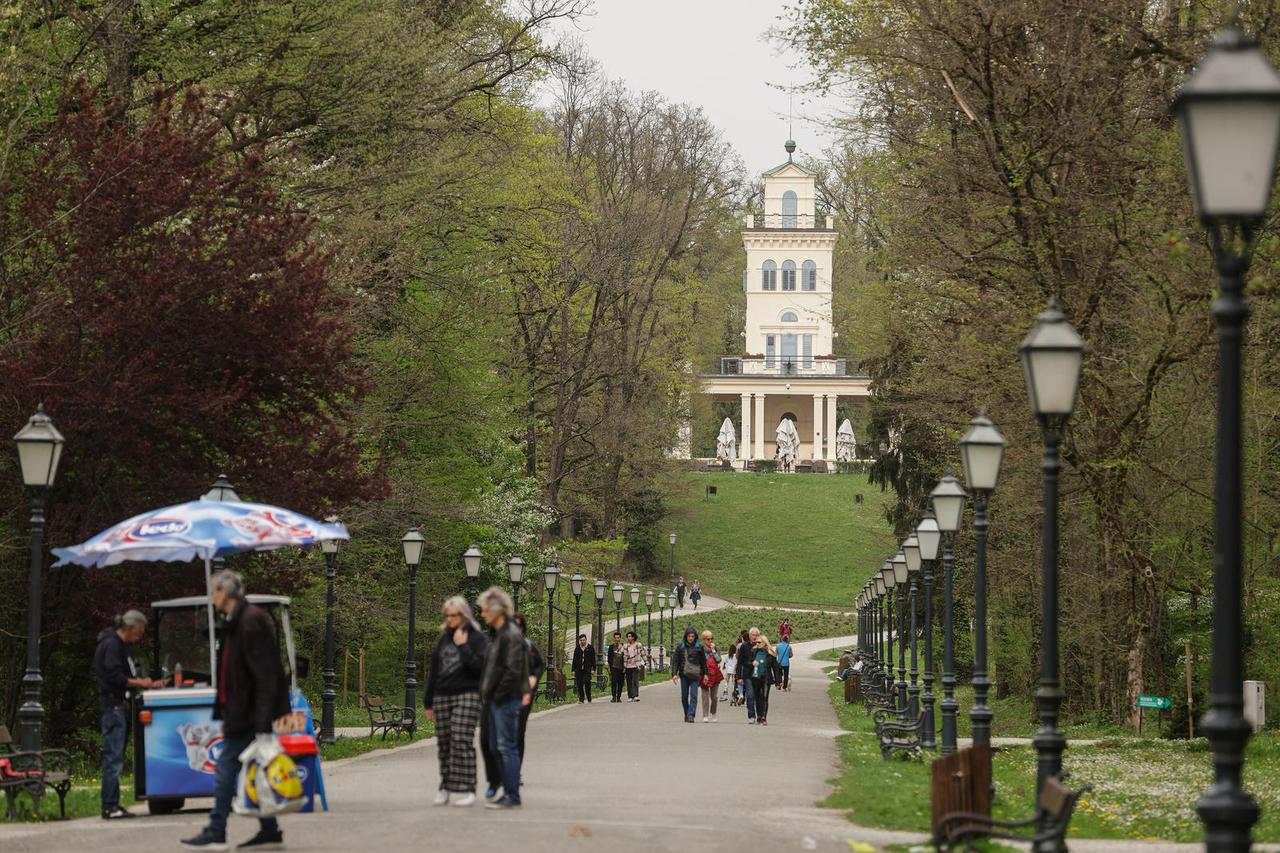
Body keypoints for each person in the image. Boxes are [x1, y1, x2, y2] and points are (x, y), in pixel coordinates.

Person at [182, 571, 292, 850]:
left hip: (248, 715)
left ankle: (217, 830)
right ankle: (269, 828)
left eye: (213, 592)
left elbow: (266, 674)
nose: (211, 598)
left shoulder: (249, 621)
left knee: (225, 769)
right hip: (243, 713)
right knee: (251, 770)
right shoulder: (237, 621)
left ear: (224, 592)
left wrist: (262, 719)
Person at [423, 596, 489, 807]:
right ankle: (445, 787)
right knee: (444, 742)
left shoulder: (476, 638)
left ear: (463, 615)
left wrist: (463, 647)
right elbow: (434, 672)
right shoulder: (442, 639)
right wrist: (428, 702)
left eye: (453, 615)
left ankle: (468, 788)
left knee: (461, 738)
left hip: (468, 694)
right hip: (442, 695)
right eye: (447, 615)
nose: (449, 619)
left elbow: (481, 668)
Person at [94, 609, 160, 820]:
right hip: (114, 707)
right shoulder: (112, 645)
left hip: (116, 707)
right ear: (130, 628)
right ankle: (109, 805)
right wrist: (141, 683)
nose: (138, 638)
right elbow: (114, 675)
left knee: (115, 757)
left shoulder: (114, 644)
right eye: (138, 634)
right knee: (113, 758)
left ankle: (112, 803)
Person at [479, 587, 530, 810]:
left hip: (506, 699)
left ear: (497, 610)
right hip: (497, 699)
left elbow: (512, 670)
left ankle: (512, 794)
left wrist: (497, 695)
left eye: (485, 609)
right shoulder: (501, 633)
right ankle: (506, 790)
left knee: (506, 746)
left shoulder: (510, 634)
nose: (482, 614)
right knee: (495, 745)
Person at [511, 613, 544, 761]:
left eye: (519, 626)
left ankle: (516, 768)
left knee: (518, 731)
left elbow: (540, 665)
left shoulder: (530, 647)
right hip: (505, 694)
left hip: (524, 693)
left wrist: (534, 679)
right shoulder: (500, 647)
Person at [744, 634, 782, 726]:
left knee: (764, 697)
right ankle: (759, 716)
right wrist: (752, 663)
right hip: (755, 678)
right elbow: (747, 663)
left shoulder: (770, 654)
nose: (757, 643)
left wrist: (778, 682)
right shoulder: (753, 651)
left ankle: (764, 717)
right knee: (758, 698)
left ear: (765, 643)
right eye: (756, 642)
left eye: (759, 642)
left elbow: (776, 668)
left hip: (766, 678)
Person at [669, 627, 705, 723]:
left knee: (694, 696)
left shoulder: (699, 647)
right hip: (684, 675)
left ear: (695, 637)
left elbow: (703, 662)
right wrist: (674, 674)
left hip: (695, 675)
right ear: (686, 636)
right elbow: (675, 661)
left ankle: (691, 715)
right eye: (689, 636)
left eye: (692, 636)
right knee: (684, 696)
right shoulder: (681, 646)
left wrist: (705, 674)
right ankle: (687, 713)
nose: (691, 638)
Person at [734, 627, 763, 723]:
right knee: (750, 695)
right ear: (749, 636)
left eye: (756, 635)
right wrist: (738, 677)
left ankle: (760, 715)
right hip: (748, 675)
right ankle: (751, 715)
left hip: (759, 675)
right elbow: (740, 663)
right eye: (752, 635)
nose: (754, 637)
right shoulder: (744, 646)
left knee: (759, 696)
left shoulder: (761, 646)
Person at [698, 630, 722, 722]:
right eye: (708, 639)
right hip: (704, 674)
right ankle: (705, 715)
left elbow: (718, 660)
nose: (711, 640)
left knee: (714, 697)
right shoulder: (701, 649)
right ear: (704, 640)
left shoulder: (716, 648)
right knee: (705, 696)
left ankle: (713, 712)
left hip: (715, 674)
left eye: (712, 638)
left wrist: (713, 650)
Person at [571, 634, 596, 704]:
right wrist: (573, 670)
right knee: (579, 684)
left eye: (583, 640)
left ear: (586, 640)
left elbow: (593, 659)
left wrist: (594, 669)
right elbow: (574, 659)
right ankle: (581, 699)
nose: (582, 642)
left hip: (587, 669)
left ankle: (589, 697)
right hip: (578, 669)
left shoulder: (590, 648)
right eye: (581, 640)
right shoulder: (577, 648)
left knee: (587, 682)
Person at [622, 630, 644, 701]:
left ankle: (635, 695)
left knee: (635, 681)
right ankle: (630, 696)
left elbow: (643, 654)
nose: (628, 638)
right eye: (627, 637)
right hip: (628, 666)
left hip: (636, 665)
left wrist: (646, 662)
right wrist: (624, 666)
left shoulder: (638, 645)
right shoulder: (625, 646)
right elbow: (624, 656)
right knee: (629, 681)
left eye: (630, 636)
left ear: (633, 637)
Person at [606, 631, 625, 703]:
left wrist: (624, 667)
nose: (617, 639)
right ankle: (614, 697)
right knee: (614, 682)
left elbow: (625, 657)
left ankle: (619, 697)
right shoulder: (611, 647)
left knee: (620, 683)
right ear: (614, 639)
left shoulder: (623, 646)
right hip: (613, 667)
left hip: (621, 667)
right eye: (615, 638)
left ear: (620, 638)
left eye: (618, 638)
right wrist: (609, 667)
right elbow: (609, 658)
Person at [722, 641, 738, 706]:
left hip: (728, 670)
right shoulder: (735, 656)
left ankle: (725, 691)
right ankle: (733, 691)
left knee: (726, 681)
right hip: (733, 671)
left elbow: (725, 662)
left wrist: (723, 666)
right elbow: (736, 663)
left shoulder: (727, 655)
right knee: (733, 682)